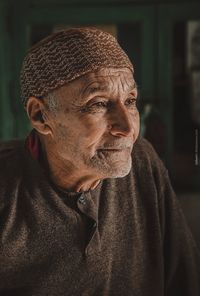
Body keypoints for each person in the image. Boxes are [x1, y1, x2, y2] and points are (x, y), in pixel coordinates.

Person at [0, 27, 199, 296]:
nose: (128, 129)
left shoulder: (141, 160)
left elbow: (185, 280)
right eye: (99, 104)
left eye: (130, 101)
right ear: (40, 116)